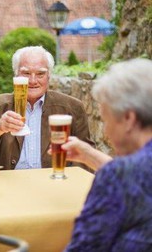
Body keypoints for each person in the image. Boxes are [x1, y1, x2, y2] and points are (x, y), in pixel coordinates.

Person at [62, 58, 152, 251]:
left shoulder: (117, 175)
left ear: (128, 118)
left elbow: (84, 248)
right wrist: (88, 155)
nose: (106, 132)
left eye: (105, 120)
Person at [0, 46, 94, 170]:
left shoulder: (72, 107)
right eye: (26, 73)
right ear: (16, 75)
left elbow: (86, 154)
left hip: (52, 183)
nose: (33, 81)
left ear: (49, 75)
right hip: (11, 183)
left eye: (40, 74)